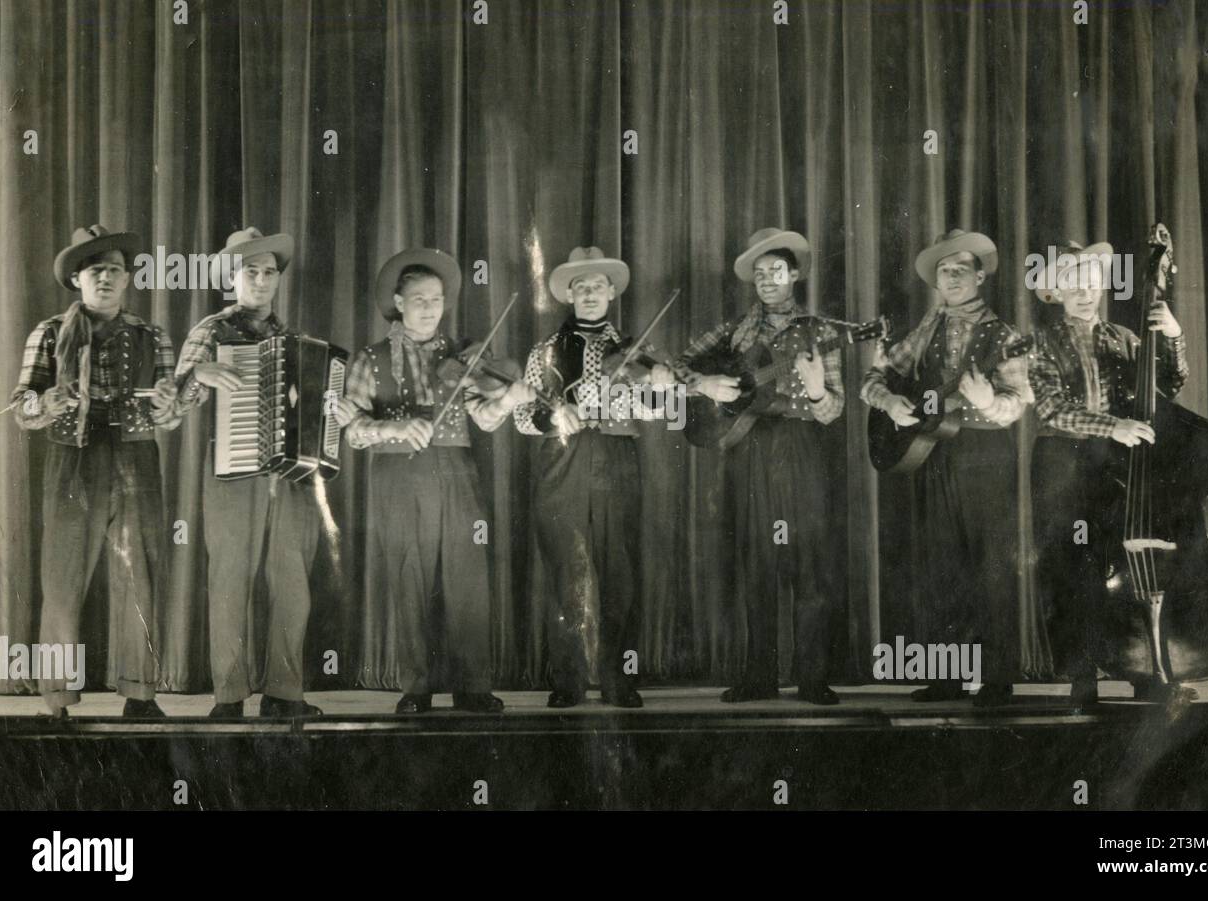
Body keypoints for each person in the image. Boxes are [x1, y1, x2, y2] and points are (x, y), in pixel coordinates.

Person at [334, 248, 533, 714]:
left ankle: (473, 686)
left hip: (456, 470)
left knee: (467, 575)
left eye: (437, 299)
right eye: (419, 298)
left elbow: (484, 419)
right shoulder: (370, 358)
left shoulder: (464, 356)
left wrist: (508, 401)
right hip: (397, 476)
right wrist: (395, 428)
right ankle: (416, 688)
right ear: (399, 303)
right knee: (408, 574)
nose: (429, 308)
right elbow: (354, 431)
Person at [12, 225, 180, 718]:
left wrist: (173, 403)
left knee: (141, 574)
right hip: (72, 459)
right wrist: (46, 401)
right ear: (77, 280)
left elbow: (168, 415)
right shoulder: (48, 332)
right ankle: (57, 700)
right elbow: (20, 408)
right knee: (62, 581)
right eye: (94, 270)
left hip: (136, 457)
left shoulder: (153, 336)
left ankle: (141, 695)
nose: (104, 278)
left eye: (114, 270)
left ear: (128, 279)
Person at [859, 229, 1032, 706]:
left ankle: (997, 677)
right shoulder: (927, 326)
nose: (952, 276)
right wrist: (891, 401)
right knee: (942, 568)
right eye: (944, 270)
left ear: (980, 276)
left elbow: (1017, 404)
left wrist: (988, 400)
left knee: (992, 566)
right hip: (934, 456)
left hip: (986, 457)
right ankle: (949, 676)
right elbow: (872, 379)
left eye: (960, 269)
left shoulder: (1008, 337)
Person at [673, 228, 845, 705]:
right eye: (760, 272)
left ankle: (812, 678)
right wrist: (705, 384)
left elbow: (834, 410)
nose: (768, 278)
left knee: (809, 562)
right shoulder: (733, 331)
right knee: (757, 561)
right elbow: (676, 367)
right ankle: (759, 676)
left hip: (800, 446)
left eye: (777, 270)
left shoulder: (820, 331)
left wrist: (815, 390)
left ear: (794, 275)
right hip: (748, 447)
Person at [156, 227, 322, 718]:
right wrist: (194, 375)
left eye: (270, 272)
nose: (262, 280)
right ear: (232, 276)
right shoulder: (211, 330)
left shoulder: (292, 339)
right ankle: (228, 697)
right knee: (230, 580)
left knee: (293, 580)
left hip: (288, 477)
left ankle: (283, 694)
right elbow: (167, 412)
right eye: (251, 271)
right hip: (232, 472)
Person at [1028, 239, 1190, 708]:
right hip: (1063, 463)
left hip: (1117, 464)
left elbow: (1168, 386)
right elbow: (1053, 409)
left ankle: (1141, 667)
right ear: (1055, 292)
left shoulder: (1125, 337)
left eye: (1092, 282)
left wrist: (1174, 335)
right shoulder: (1039, 343)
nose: (1084, 292)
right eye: (1072, 283)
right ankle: (1082, 679)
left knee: (1123, 562)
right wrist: (1112, 426)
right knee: (1070, 567)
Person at [513, 246, 676, 709]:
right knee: (566, 570)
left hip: (617, 459)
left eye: (597, 286)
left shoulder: (637, 350)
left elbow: (659, 412)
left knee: (619, 572)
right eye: (580, 287)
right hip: (561, 461)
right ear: (568, 294)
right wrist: (554, 418)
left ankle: (618, 680)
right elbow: (523, 417)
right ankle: (567, 681)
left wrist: (662, 390)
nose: (588, 293)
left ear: (610, 293)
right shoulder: (543, 351)